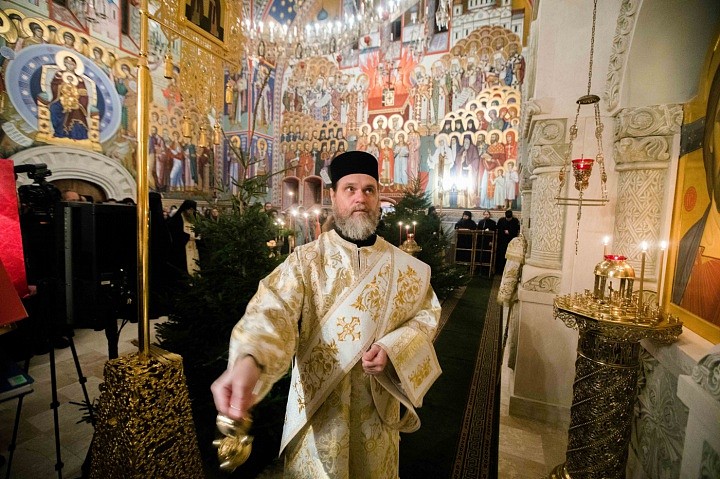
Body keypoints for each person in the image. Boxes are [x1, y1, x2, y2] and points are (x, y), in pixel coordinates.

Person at [211, 151, 441, 478]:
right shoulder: (305, 261)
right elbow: (272, 312)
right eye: (350, 189)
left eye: (369, 190)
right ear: (334, 197)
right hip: (319, 419)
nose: (360, 198)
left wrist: (394, 348)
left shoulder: (407, 268)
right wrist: (250, 360)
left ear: (378, 198)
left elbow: (426, 317)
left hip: (377, 418)